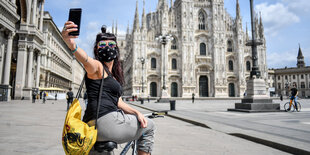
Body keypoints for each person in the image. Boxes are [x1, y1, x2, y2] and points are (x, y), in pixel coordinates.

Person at [62, 22, 155, 155]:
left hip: (91, 126)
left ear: (117, 49)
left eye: (111, 45)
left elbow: (118, 102)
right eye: (102, 45)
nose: (107, 48)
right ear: (96, 49)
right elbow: (86, 60)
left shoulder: (112, 76)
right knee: (149, 127)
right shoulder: (98, 68)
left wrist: (136, 112)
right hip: (107, 122)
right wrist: (72, 45)